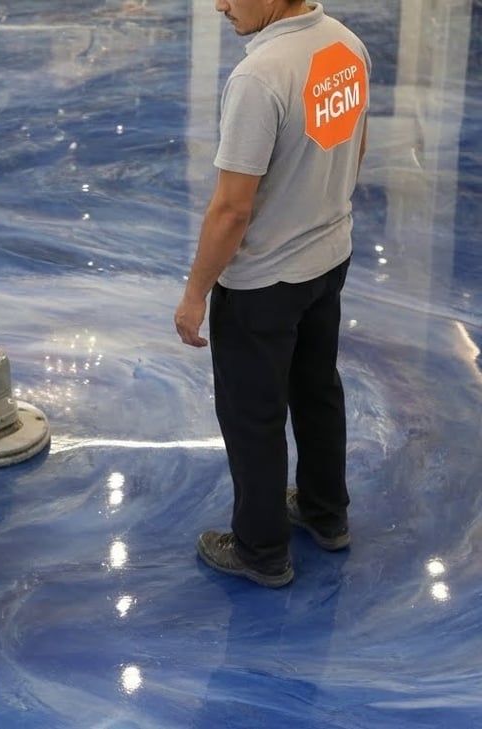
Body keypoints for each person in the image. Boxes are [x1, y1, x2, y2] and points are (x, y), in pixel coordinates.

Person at [175, 0, 370, 588]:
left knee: (253, 417)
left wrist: (195, 295)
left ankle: (261, 551)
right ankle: (325, 512)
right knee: (317, 391)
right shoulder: (345, 45)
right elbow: (355, 151)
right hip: (329, 259)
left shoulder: (259, 76)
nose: (220, 5)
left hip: (263, 285)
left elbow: (232, 210)